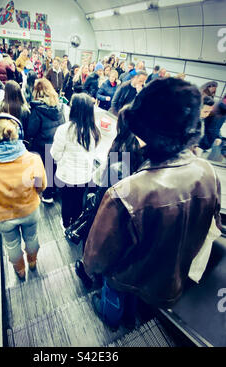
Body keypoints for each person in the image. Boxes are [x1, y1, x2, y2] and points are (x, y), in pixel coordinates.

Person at [81, 77, 221, 330]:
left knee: (115, 298)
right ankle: (131, 320)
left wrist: (91, 270)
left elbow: (95, 258)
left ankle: (112, 320)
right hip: (167, 277)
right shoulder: (207, 172)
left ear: (150, 134)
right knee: (137, 301)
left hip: (124, 276)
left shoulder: (128, 192)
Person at [72, 105, 146, 287]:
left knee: (94, 235)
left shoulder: (121, 145)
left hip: (110, 200)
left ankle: (89, 274)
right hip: (131, 206)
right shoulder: (145, 147)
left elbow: (107, 182)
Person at [0, 114, 46, 279]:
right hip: (29, 212)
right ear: (18, 133)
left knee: (11, 244)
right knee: (32, 237)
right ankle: (32, 261)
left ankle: (20, 270)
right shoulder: (33, 160)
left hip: (3, 218)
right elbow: (41, 186)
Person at [50, 93, 101, 228]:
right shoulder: (94, 130)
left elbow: (55, 154)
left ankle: (66, 224)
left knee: (66, 201)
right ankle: (75, 224)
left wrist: (62, 161)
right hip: (84, 175)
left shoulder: (64, 130)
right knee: (79, 201)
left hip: (66, 175)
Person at [26, 78, 65, 203]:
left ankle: (44, 195)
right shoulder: (59, 106)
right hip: (56, 143)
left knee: (41, 170)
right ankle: (52, 192)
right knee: (52, 168)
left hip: (42, 145)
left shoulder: (37, 110)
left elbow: (31, 131)